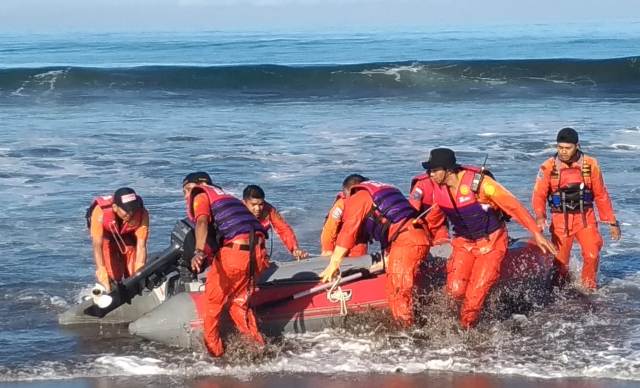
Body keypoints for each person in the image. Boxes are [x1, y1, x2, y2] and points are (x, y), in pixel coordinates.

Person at [423, 148, 557, 328]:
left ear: (448, 170)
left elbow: (514, 207)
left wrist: (536, 232)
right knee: (455, 290)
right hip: (463, 243)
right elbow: (434, 220)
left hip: (491, 243)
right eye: (429, 171)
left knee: (474, 297)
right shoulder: (438, 190)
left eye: (434, 170)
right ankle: (453, 320)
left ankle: (467, 330)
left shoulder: (482, 185)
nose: (430, 175)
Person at [319, 176, 430, 327]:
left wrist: (333, 263)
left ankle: (407, 332)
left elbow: (348, 231)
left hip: (407, 241)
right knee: (397, 287)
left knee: (399, 291)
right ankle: (408, 322)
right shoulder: (382, 190)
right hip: (416, 235)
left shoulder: (358, 197)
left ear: (349, 192)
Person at [182, 172, 267, 357]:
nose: (187, 196)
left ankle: (215, 354)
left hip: (236, 254)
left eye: (187, 190)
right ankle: (259, 348)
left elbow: (202, 222)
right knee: (239, 303)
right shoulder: (225, 195)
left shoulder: (201, 195)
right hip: (258, 253)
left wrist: (198, 251)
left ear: (199, 185)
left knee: (212, 303)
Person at [532, 127, 621, 289]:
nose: (563, 151)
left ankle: (589, 289)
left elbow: (601, 194)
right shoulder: (548, 167)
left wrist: (612, 222)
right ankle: (559, 291)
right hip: (560, 220)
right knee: (560, 262)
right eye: (560, 147)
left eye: (567, 148)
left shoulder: (591, 164)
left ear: (577, 146)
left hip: (585, 218)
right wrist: (540, 216)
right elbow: (538, 195)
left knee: (592, 255)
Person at [87, 187, 149, 292]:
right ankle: (110, 287)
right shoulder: (100, 212)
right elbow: (97, 247)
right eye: (126, 210)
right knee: (113, 275)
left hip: (128, 234)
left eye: (133, 209)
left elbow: (141, 245)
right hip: (107, 236)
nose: (130, 213)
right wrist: (102, 275)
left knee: (133, 272)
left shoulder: (142, 213)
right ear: (115, 207)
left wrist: (139, 274)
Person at [242, 184, 309, 260]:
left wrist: (294, 249)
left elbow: (284, 229)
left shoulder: (269, 210)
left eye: (261, 204)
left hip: (259, 251)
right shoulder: (235, 211)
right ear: (244, 202)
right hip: (239, 251)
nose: (257, 208)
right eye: (253, 204)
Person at [320, 174, 369, 257]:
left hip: (359, 243)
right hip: (339, 245)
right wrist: (328, 250)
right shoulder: (341, 205)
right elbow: (329, 229)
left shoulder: (366, 203)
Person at [409, 170, 450, 245]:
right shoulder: (421, 184)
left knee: (446, 243)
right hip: (422, 225)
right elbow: (413, 209)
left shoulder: (449, 182)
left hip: (441, 225)